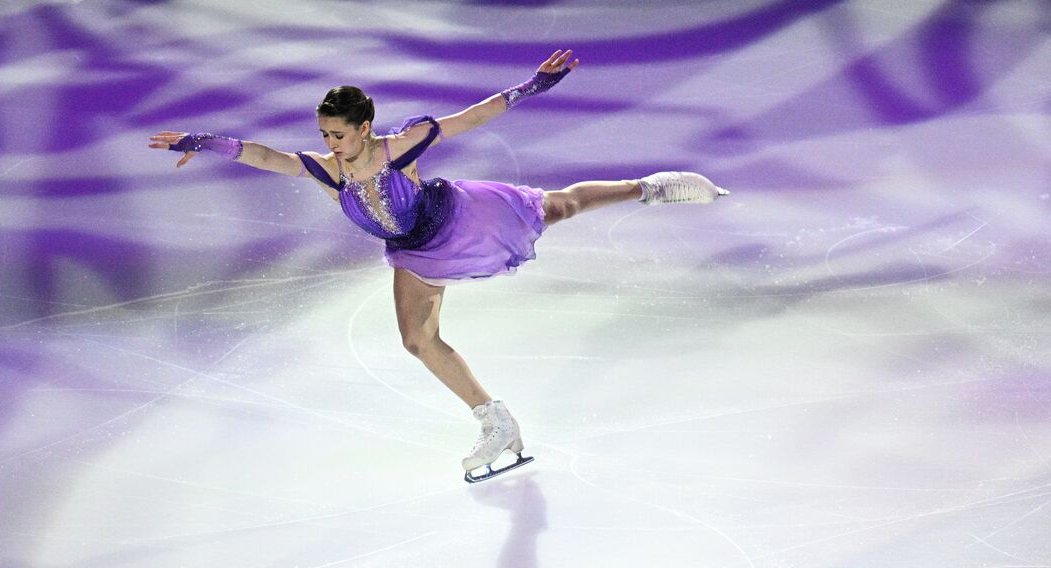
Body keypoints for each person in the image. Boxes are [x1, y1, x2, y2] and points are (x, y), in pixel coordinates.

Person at [148, 50, 728, 482]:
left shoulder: (400, 147)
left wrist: (531, 87)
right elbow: (266, 155)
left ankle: (648, 188)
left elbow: (470, 118)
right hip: (417, 255)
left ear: (365, 128)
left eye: (339, 134)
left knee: (560, 205)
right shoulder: (328, 170)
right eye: (324, 134)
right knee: (416, 339)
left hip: (461, 221)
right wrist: (204, 141)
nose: (331, 143)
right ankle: (496, 421)